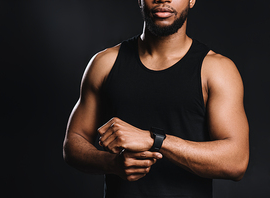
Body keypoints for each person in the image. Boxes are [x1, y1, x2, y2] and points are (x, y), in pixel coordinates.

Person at [63, 0, 249, 197]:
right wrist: (112, 164)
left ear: (192, 0)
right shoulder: (105, 63)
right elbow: (73, 143)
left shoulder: (217, 70)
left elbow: (236, 162)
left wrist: (154, 140)